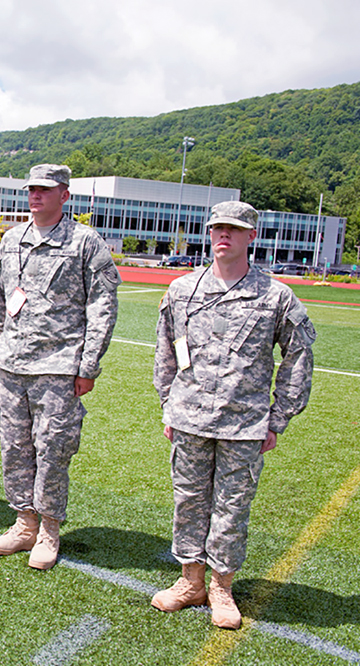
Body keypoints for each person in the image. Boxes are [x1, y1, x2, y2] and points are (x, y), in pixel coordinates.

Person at [151, 201, 314, 629]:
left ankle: (221, 586)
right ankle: (191, 581)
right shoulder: (182, 289)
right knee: (188, 503)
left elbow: (298, 357)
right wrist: (169, 404)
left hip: (245, 425)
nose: (224, 235)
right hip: (189, 420)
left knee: (232, 508)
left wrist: (278, 418)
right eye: (217, 228)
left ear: (250, 237)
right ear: (208, 233)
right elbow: (165, 351)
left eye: (234, 229)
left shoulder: (275, 296)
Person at [0, 164, 119, 569]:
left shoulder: (85, 242)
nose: (36, 196)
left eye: (46, 189)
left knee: (53, 449)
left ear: (65, 195)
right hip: (13, 365)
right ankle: (23, 522)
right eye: (32, 190)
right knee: (13, 446)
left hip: (59, 366)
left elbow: (103, 306)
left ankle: (49, 530)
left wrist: (88, 365)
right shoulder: (11, 240)